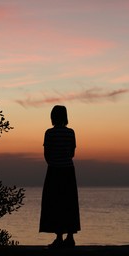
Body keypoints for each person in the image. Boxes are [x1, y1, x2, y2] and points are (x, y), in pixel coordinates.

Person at [39, 105, 80, 248]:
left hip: (54, 171)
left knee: (55, 203)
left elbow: (46, 153)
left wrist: (53, 162)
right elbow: (72, 153)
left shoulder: (49, 133)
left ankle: (59, 237)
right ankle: (70, 237)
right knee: (69, 203)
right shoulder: (71, 133)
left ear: (52, 117)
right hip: (68, 171)